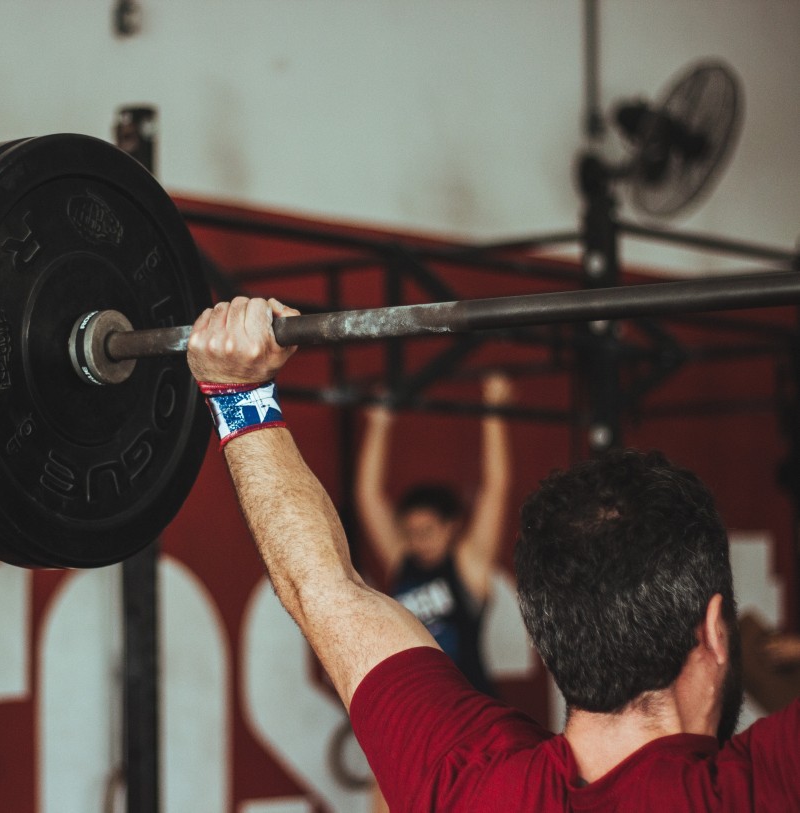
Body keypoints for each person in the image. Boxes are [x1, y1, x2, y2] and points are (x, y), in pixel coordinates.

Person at [186, 296, 799, 811]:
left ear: (548, 627)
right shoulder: (762, 788)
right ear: (716, 631)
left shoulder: (465, 784)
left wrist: (235, 389)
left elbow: (319, 587)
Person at [354, 374, 513, 699]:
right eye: (410, 532)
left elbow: (495, 488)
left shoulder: (469, 564)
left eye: (426, 531)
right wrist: (379, 423)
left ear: (452, 526)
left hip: (471, 706)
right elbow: (368, 496)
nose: (417, 540)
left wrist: (493, 411)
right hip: (423, 705)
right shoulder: (402, 559)